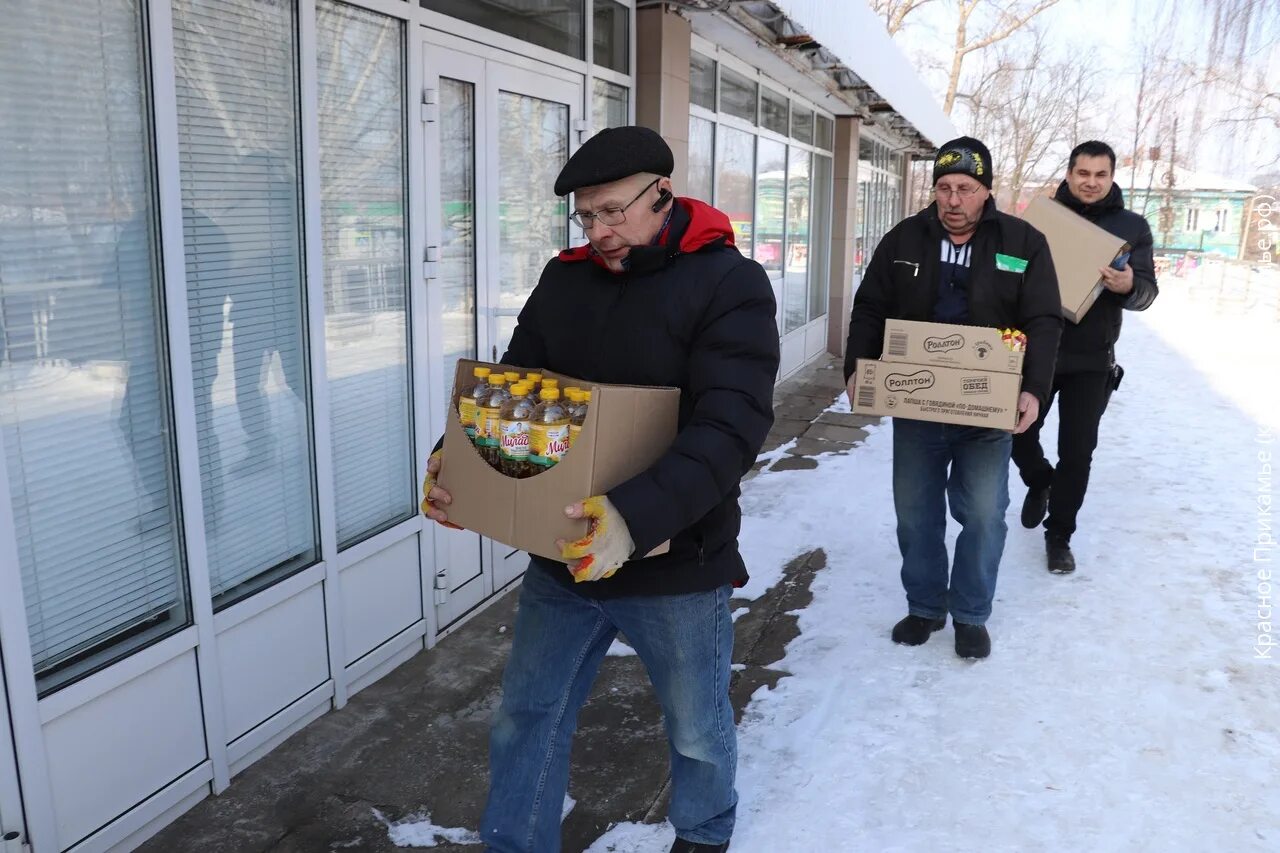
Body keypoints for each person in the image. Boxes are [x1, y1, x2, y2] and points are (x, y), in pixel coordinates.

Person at [422, 126, 779, 853]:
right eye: (587, 216)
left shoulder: (728, 283)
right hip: (564, 554)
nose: (600, 230)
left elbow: (730, 425)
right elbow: (514, 390)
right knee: (528, 714)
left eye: (614, 211)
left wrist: (633, 518)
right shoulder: (567, 279)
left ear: (662, 197)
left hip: (676, 563)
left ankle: (706, 832)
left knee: (696, 724)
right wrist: (456, 459)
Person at [843, 136, 1063, 659]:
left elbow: (1044, 320)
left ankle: (970, 613)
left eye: (966, 188)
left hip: (989, 407)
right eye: (944, 187)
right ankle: (924, 607)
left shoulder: (1022, 242)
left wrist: (1033, 389)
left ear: (985, 191)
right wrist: (858, 367)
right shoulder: (903, 241)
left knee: (984, 513)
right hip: (918, 405)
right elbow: (870, 306)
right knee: (916, 515)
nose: (953, 199)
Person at [1012, 140, 1158, 573]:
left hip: (1092, 359)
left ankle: (1059, 536)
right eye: (1083, 173)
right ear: (1070, 174)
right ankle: (1040, 480)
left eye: (1100, 175)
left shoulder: (1132, 227)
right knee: (1015, 433)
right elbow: (1009, 274)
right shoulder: (1042, 221)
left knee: (1077, 452)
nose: (1091, 182)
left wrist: (1129, 285)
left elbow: (1147, 293)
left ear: (1111, 177)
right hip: (1037, 351)